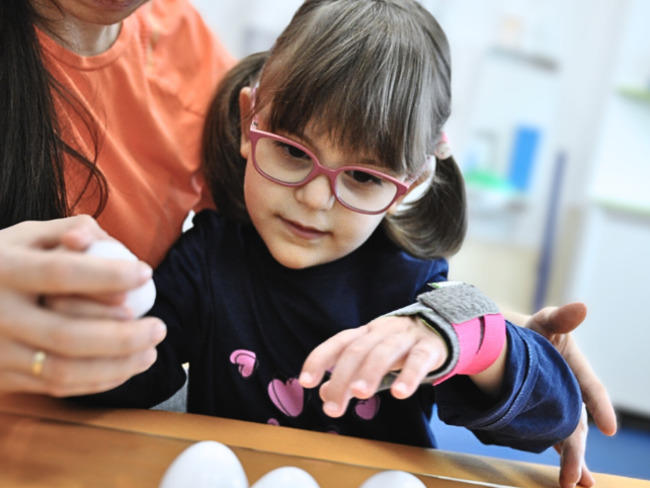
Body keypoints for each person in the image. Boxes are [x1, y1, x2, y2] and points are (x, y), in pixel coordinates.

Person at [0, 0, 616, 486]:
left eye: (364, 177)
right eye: (293, 153)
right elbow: (130, 377)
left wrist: (475, 337)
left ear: (411, 183)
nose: (316, 200)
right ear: (248, 125)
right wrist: (96, 303)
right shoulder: (207, 261)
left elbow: (552, 416)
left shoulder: (413, 291)